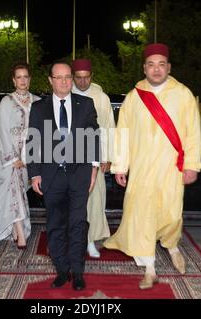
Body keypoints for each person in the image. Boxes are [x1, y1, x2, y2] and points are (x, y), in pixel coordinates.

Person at [103, 43, 201, 290]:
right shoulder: (133, 97)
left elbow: (193, 133)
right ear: (144, 68)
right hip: (142, 171)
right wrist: (120, 166)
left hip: (171, 169)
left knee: (170, 216)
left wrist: (192, 165)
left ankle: (172, 245)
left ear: (168, 67)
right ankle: (149, 268)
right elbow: (122, 134)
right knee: (141, 218)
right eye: (151, 64)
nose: (156, 69)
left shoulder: (183, 94)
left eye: (161, 64)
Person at [27, 60, 100, 291]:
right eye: (59, 77)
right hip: (51, 176)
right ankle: (61, 270)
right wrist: (34, 174)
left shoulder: (86, 104)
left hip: (79, 174)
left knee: (78, 224)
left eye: (68, 76)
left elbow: (94, 137)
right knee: (56, 225)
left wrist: (94, 169)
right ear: (50, 80)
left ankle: (78, 272)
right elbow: (32, 141)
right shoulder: (39, 108)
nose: (65, 81)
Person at [0, 62, 40, 248]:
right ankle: (21, 234)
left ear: (29, 78)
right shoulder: (7, 101)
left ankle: (14, 229)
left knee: (18, 193)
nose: (22, 80)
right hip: (10, 157)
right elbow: (3, 130)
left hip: (30, 156)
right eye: (19, 77)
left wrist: (35, 156)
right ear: (13, 80)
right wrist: (13, 158)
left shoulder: (37, 101)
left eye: (25, 76)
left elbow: (39, 131)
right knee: (15, 190)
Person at [71, 58, 116, 258]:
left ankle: (90, 241)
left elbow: (109, 129)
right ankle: (73, 241)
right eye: (78, 78)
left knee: (95, 202)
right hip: (70, 158)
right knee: (72, 202)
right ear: (73, 77)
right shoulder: (65, 93)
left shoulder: (101, 97)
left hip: (94, 160)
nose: (82, 82)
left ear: (91, 76)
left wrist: (108, 157)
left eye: (86, 77)